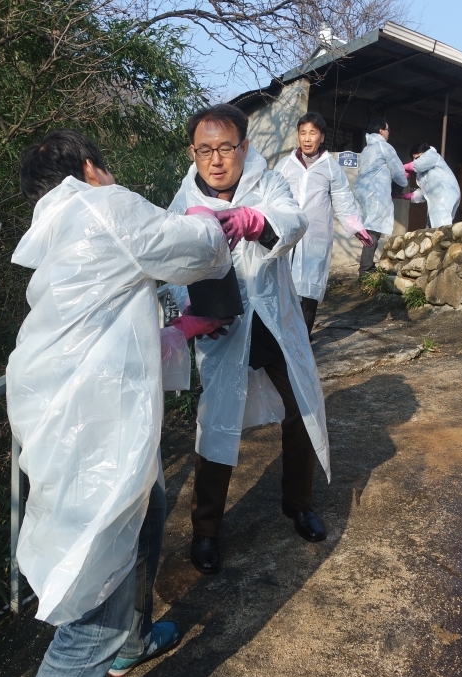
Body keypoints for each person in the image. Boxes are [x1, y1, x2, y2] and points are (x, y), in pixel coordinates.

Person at [8, 129, 234, 677]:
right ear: (89, 167)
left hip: (78, 419)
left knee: (150, 510)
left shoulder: (55, 230)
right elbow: (200, 251)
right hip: (94, 439)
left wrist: (177, 334)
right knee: (89, 629)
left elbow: (103, 330)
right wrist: (217, 218)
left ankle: (133, 640)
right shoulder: (102, 205)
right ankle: (113, 639)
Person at [167, 103, 331, 575]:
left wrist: (254, 223)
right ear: (193, 152)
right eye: (205, 150)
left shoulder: (267, 183)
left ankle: (299, 505)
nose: (216, 159)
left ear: (243, 146)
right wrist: (191, 313)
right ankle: (206, 531)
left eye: (225, 148)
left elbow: (293, 221)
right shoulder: (182, 204)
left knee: (301, 409)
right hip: (224, 327)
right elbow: (174, 269)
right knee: (215, 424)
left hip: (274, 320)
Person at [276, 111, 369, 334]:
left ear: (322, 137)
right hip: (286, 236)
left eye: (313, 133)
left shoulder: (330, 167)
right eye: (303, 133)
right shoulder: (284, 165)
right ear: (298, 136)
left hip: (315, 236)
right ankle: (282, 342)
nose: (307, 138)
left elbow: (343, 198)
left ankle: (304, 342)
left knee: (309, 291)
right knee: (281, 289)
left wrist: (356, 227)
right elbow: (270, 196)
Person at [354, 118, 409, 273]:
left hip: (363, 192)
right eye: (387, 129)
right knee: (373, 231)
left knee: (369, 228)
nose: (388, 133)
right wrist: (403, 184)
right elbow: (398, 172)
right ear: (380, 131)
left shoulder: (367, 149)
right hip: (376, 193)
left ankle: (367, 265)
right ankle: (365, 268)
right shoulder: (384, 147)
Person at [400, 143, 462, 228]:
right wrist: (404, 196)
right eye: (414, 159)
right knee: (432, 226)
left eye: (418, 158)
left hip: (444, 195)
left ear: (424, 153)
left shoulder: (431, 155)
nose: (416, 161)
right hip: (439, 198)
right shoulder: (423, 173)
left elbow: (419, 164)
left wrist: (401, 167)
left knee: (440, 227)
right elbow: (424, 192)